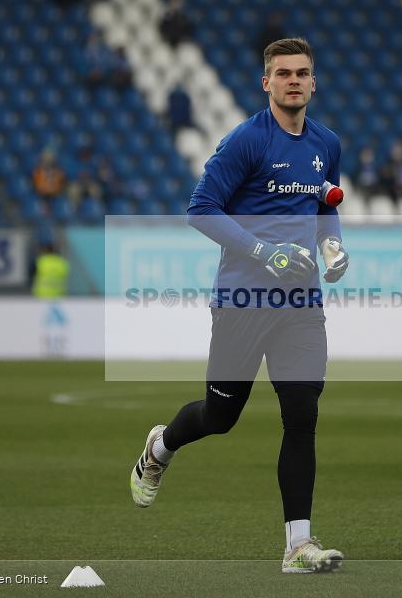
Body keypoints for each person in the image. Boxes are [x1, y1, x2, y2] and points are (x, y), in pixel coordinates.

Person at [129, 37, 348, 574]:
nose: (293, 80)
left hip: (301, 302)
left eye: (302, 73)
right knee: (221, 416)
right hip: (242, 301)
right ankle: (161, 446)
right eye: (283, 73)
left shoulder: (328, 144)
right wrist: (263, 251)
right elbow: (200, 210)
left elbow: (326, 203)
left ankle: (298, 547)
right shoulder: (246, 141)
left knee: (302, 417)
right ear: (266, 82)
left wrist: (331, 245)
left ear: (313, 82)